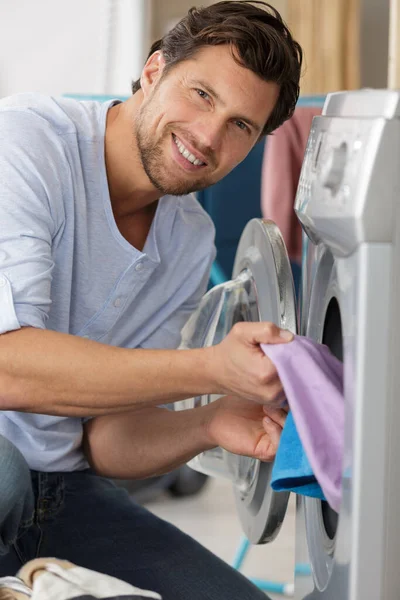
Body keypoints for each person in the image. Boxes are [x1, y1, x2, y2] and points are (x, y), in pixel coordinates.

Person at [0, 1, 302, 598]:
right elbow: (8, 367)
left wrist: (211, 420)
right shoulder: (27, 142)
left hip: (61, 494)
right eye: (202, 94)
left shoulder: (188, 238)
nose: (208, 136)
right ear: (153, 70)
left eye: (242, 125)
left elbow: (109, 441)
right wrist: (210, 367)